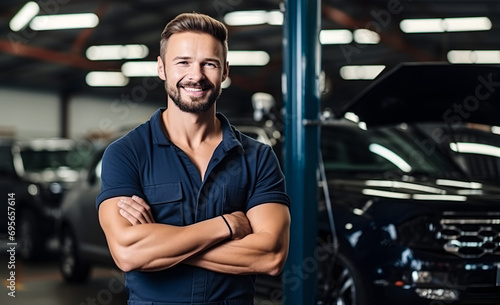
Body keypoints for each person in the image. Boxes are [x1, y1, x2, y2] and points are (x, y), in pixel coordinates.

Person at [96, 12, 291, 305]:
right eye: (183, 62)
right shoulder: (126, 154)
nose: (196, 76)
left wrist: (161, 248)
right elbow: (127, 253)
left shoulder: (258, 158)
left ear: (224, 71)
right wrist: (225, 226)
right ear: (162, 68)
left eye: (208, 64)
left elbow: (271, 256)